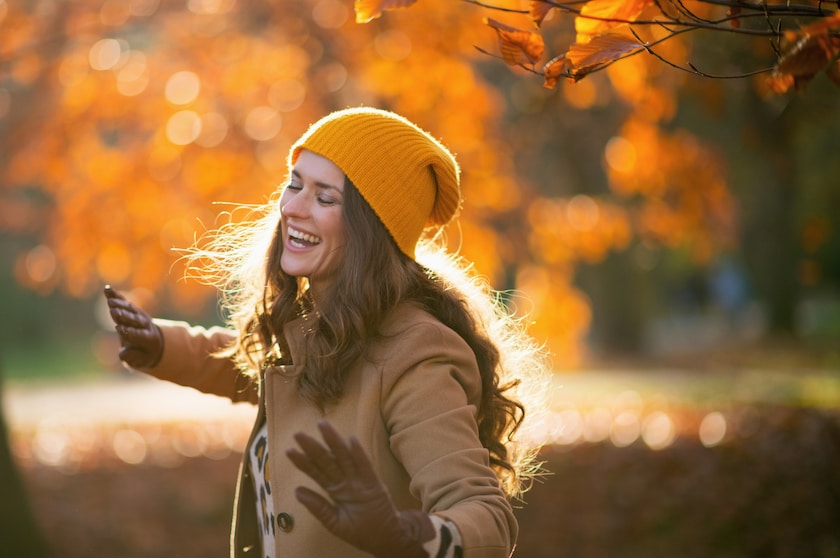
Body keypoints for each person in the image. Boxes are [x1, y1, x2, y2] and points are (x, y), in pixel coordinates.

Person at [104, 107, 549, 558]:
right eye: (294, 184)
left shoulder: (414, 352)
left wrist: (404, 534)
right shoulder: (314, 322)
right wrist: (160, 345)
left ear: (371, 228)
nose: (291, 207)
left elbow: (485, 516)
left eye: (325, 198)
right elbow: (259, 372)